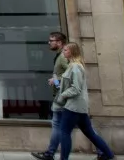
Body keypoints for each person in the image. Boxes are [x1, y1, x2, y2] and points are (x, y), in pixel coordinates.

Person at [48, 42, 115, 160]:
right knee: (89, 133)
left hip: (73, 105)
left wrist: (62, 95)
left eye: (66, 50)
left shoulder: (75, 67)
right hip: (79, 106)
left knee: (64, 132)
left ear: (72, 52)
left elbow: (76, 88)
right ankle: (108, 154)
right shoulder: (73, 66)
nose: (63, 52)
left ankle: (64, 158)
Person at [32, 31, 69, 160]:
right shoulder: (60, 56)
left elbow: (74, 74)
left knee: (82, 126)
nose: (49, 43)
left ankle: (50, 153)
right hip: (62, 96)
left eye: (51, 40)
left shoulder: (63, 57)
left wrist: (56, 80)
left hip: (64, 97)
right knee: (59, 124)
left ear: (59, 42)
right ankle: (50, 153)